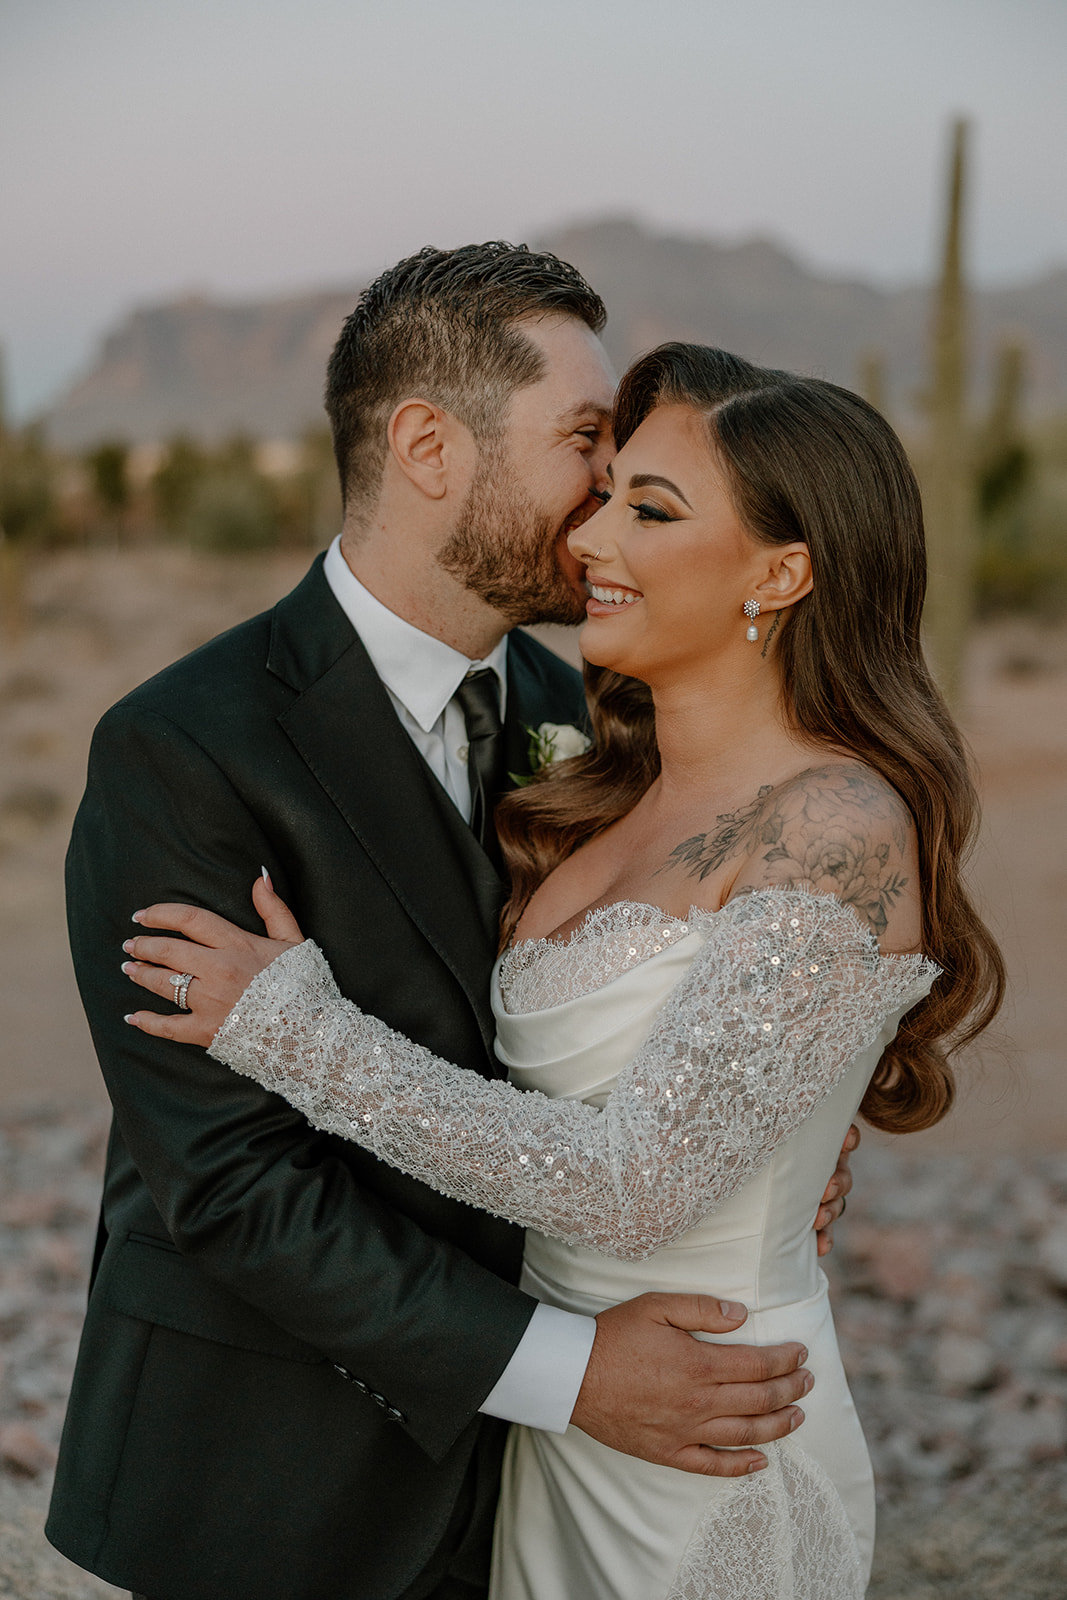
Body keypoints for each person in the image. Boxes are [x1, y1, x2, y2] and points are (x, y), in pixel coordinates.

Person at [122, 343, 1005, 1599]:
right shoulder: (598, 780)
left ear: (782, 570)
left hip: (704, 1429)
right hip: (546, 1428)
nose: (589, 534)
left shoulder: (833, 823)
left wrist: (291, 1031)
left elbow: (638, 1181)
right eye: (601, 491)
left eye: (648, 508)